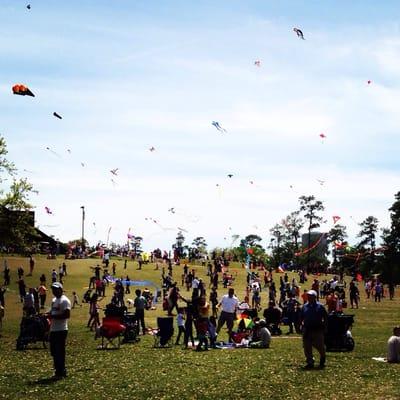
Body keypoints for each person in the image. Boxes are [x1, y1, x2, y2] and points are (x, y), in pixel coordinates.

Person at [48, 282, 71, 379]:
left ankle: (61, 372)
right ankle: (58, 370)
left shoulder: (64, 301)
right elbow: (52, 311)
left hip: (61, 330)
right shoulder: (54, 300)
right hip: (53, 329)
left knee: (59, 351)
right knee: (53, 351)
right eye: (53, 289)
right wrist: (47, 314)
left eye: (56, 289)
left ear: (61, 289)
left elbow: (66, 315)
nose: (54, 291)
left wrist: (52, 316)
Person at [300, 289, 328, 369]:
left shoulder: (320, 306)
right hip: (307, 329)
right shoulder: (305, 306)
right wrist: (301, 325)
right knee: (307, 346)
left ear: (315, 297)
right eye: (308, 296)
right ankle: (310, 362)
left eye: (310, 296)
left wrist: (325, 327)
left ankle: (323, 357)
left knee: (320, 346)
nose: (309, 297)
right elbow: (301, 317)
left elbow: (325, 317)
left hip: (317, 329)